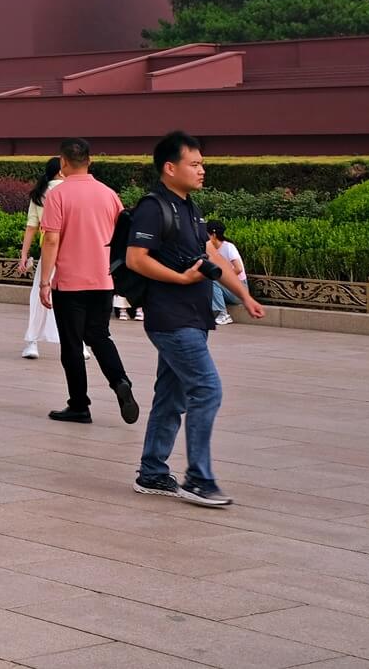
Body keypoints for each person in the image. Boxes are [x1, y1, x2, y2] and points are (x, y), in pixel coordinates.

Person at [128, 132, 265, 507]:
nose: (202, 170)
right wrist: (182, 279)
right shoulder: (154, 207)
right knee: (207, 389)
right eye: (195, 164)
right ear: (170, 168)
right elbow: (136, 258)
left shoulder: (189, 207)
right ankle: (198, 479)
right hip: (171, 320)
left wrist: (245, 294)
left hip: (193, 316)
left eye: (202, 163)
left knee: (171, 397)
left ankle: (153, 472)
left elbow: (211, 257)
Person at [37, 138, 140, 427]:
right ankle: (120, 380)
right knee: (99, 335)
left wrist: (45, 281)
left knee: (71, 344)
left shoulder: (58, 195)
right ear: (89, 161)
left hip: (70, 283)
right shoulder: (109, 195)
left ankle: (79, 405)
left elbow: (52, 240)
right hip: (103, 280)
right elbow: (122, 235)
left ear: (62, 162)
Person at [17, 156, 64, 359]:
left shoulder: (39, 194)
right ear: (61, 171)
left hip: (47, 250)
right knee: (74, 298)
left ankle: (32, 342)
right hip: (70, 250)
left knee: (39, 296)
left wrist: (24, 255)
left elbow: (31, 227)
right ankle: (78, 343)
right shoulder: (69, 190)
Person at [205, 218, 245, 326]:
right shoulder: (210, 249)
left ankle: (223, 315)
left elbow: (238, 268)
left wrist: (222, 277)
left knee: (213, 280)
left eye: (206, 234)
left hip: (239, 289)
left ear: (213, 235)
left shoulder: (228, 247)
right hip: (227, 288)